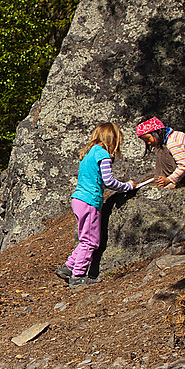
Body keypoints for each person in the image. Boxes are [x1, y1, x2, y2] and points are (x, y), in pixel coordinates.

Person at [56, 122, 136, 287]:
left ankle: (69, 266)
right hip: (90, 200)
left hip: (78, 199)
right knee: (91, 241)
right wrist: (127, 186)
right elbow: (109, 181)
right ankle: (78, 277)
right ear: (112, 140)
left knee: (84, 238)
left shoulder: (88, 153)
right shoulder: (103, 154)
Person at [136, 117, 185, 188]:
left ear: (157, 132)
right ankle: (161, 181)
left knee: (161, 152)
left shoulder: (173, 142)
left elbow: (184, 166)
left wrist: (168, 180)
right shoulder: (170, 138)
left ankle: (166, 182)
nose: (148, 143)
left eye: (148, 139)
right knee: (160, 150)